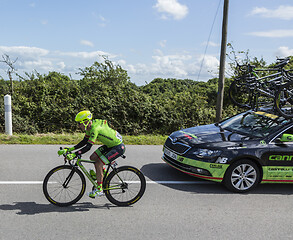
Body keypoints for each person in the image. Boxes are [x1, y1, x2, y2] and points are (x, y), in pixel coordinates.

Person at [58, 110, 125, 198]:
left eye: (79, 123)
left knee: (98, 163)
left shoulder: (94, 129)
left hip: (118, 147)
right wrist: (70, 149)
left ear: (85, 122)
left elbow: (88, 147)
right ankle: (103, 174)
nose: (78, 126)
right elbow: (84, 141)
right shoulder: (89, 128)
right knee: (93, 157)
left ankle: (99, 190)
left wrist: (74, 154)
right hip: (110, 145)